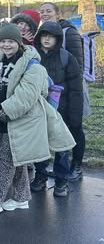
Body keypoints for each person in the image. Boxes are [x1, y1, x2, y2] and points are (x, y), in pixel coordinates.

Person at [0, 25, 76, 217]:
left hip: (21, 121)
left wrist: (4, 112)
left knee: (7, 160)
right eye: (3, 41)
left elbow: (26, 96)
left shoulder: (34, 66)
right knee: (17, 158)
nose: (6, 45)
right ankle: (21, 197)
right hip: (0, 118)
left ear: (19, 43)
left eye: (11, 41)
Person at [32, 21, 83, 196]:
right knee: (40, 146)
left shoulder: (66, 58)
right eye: (44, 36)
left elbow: (76, 89)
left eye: (51, 36)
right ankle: (41, 175)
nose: (46, 39)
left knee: (61, 148)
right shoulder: (32, 57)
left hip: (61, 111)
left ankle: (62, 180)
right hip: (38, 110)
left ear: (57, 39)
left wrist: (75, 116)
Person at [39, 1, 86, 181]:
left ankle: (77, 165)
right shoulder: (42, 34)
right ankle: (57, 168)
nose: (44, 14)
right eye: (42, 11)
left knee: (74, 127)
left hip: (68, 88)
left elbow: (78, 64)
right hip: (51, 91)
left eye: (48, 11)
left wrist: (68, 92)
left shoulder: (69, 32)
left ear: (58, 13)